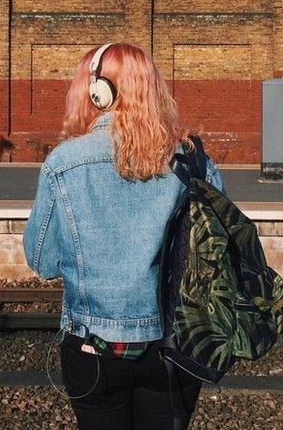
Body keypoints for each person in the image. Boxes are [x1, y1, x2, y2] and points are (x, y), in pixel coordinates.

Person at [23, 43, 224, 430]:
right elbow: (216, 255)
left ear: (97, 93)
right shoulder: (194, 163)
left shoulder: (63, 164)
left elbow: (42, 262)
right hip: (175, 346)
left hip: (93, 348)